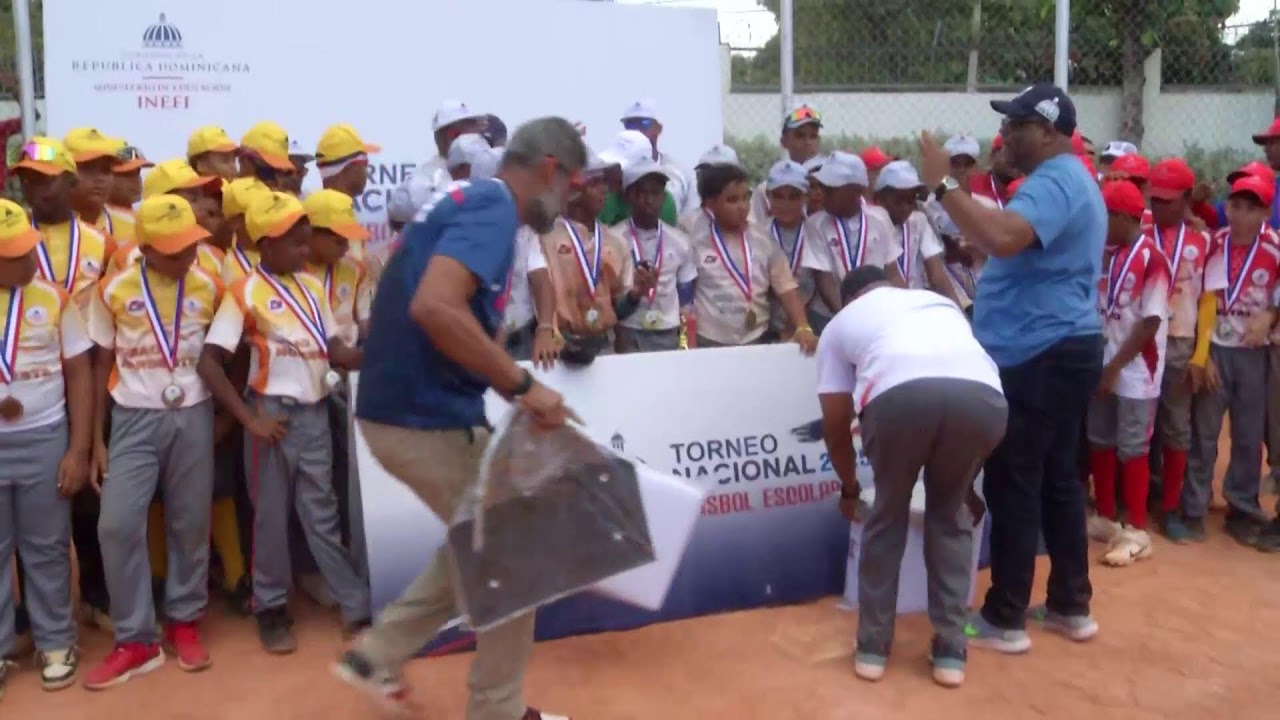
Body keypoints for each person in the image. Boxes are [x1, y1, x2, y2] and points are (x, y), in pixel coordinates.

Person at [334, 117, 585, 720]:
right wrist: (522, 385)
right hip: (421, 416)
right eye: (573, 185)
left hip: (420, 410)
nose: (572, 198)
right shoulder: (492, 208)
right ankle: (491, 709)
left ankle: (378, 655)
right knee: (511, 550)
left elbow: (439, 307)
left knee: (486, 539)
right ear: (550, 168)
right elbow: (434, 307)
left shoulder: (473, 203)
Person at [917, 83, 1105, 653]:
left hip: (1037, 351)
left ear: (1048, 132)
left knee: (1014, 479)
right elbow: (1009, 244)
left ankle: (1006, 617)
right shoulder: (1067, 182)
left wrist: (944, 182)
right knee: (1056, 479)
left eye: (1018, 126)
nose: (1006, 135)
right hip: (1058, 345)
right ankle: (1071, 604)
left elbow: (1001, 237)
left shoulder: (1055, 181)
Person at [816, 265, 1006, 688]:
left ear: (851, 299)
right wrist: (966, 485)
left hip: (898, 400)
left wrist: (850, 489)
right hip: (986, 401)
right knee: (949, 515)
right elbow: (962, 379)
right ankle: (951, 651)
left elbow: (834, 425)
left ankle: (872, 649)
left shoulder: (841, 324)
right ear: (892, 286)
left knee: (887, 515)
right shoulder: (940, 304)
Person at [83, 194, 223, 689]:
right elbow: (100, 361)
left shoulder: (210, 284)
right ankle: (137, 639)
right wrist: (99, 439)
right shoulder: (113, 290)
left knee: (190, 522)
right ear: (143, 246)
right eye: (172, 248)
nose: (185, 255)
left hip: (193, 414)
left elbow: (223, 354)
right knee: (117, 525)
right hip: (133, 418)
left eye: (190, 245)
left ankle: (184, 620)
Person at [12, 136, 116, 633]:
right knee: (29, 510)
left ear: (69, 181)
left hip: (89, 381)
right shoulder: (11, 239)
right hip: (29, 387)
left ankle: (95, 592)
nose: (35, 188)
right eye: (27, 179)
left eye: (45, 179)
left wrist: (93, 429)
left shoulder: (103, 244)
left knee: (90, 494)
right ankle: (33, 613)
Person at [0, 198, 93, 694]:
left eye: (30, 248)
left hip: (44, 437)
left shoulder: (55, 298)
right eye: (15, 254)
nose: (30, 259)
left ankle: (56, 640)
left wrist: (77, 450)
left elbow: (79, 371)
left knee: (47, 545)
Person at [1183, 174, 1280, 547]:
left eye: (1250, 209)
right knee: (1204, 432)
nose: (1239, 215)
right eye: (1235, 206)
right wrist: (1202, 354)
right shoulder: (1214, 243)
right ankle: (1194, 507)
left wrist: (1271, 313)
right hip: (1216, 351)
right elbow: (1201, 299)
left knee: (1248, 435)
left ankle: (1241, 506)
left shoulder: (1275, 248)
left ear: (1266, 213)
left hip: (1255, 355)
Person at [1085, 181, 1170, 566]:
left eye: (1107, 216)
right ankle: (1106, 517)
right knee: (1099, 437)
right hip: (1105, 362)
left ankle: (1136, 529)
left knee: (1133, 444)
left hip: (1137, 367)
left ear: (1122, 217)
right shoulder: (1109, 253)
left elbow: (1150, 322)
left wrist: (1115, 366)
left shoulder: (1153, 258)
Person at [1143, 159, 1210, 541]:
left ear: (1186, 199)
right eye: (1155, 198)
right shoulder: (1139, 230)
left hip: (1181, 337)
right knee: (1139, 419)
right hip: (1141, 336)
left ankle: (1171, 507)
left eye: (1169, 200)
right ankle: (1138, 495)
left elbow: (1207, 301)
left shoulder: (1202, 241)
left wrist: (1202, 352)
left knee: (1176, 424)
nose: (1159, 206)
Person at [689, 163, 816, 353]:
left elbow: (787, 288)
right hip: (710, 339)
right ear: (711, 203)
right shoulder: (695, 240)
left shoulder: (763, 239)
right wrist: (686, 341)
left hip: (757, 338)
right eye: (732, 200)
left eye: (745, 198)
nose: (741, 206)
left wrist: (803, 327)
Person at [801, 152, 904, 325]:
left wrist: (904, 308)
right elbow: (823, 279)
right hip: (830, 315)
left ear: (857, 191)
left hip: (875, 313)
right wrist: (849, 317)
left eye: (829, 189)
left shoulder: (880, 218)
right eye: (821, 186)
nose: (821, 193)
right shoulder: (815, 224)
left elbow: (892, 272)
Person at [611, 157, 695, 352]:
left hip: (669, 331)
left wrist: (685, 341)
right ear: (628, 196)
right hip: (629, 331)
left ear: (664, 197)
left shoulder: (680, 240)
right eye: (641, 193)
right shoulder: (613, 240)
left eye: (656, 193)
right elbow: (609, 298)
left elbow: (686, 299)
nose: (649, 200)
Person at [870, 160, 963, 307]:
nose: (906, 208)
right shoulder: (871, 225)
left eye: (910, 200)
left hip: (916, 304)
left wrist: (958, 310)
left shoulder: (918, 221)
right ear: (879, 199)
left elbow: (936, 275)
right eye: (898, 201)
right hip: (884, 307)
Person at [758, 160, 818, 338]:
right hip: (768, 328)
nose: (785, 204)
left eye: (794, 196)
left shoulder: (817, 233)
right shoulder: (757, 236)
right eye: (778, 196)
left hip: (809, 326)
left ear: (806, 196)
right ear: (768, 196)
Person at [749, 103, 823, 227]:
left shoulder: (829, 185)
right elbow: (757, 228)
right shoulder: (767, 188)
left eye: (813, 136)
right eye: (800, 136)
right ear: (784, 141)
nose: (808, 142)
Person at [620, 98, 694, 214]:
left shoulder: (679, 171)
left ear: (659, 129)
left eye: (645, 124)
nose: (637, 130)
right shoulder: (616, 171)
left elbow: (690, 216)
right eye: (630, 124)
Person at [63, 128, 128, 244]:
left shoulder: (132, 226)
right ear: (64, 173)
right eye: (88, 168)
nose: (100, 178)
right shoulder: (36, 228)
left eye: (106, 170)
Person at [237, 121, 296, 192]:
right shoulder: (223, 197)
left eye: (285, 174)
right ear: (244, 161)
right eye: (269, 172)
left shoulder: (287, 201)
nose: (277, 182)